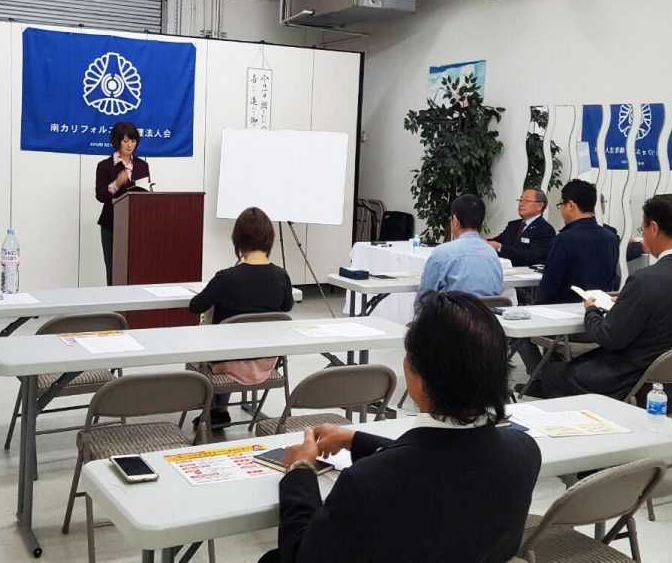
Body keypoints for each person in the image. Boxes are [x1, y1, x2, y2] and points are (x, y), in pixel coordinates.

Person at [260, 292, 540, 563]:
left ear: (413, 375)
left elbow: (301, 555)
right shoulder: (525, 452)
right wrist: (357, 440)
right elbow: (443, 462)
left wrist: (301, 471)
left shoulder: (366, 483)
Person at [534, 195, 672, 410]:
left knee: (554, 374)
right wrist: (627, 302)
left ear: (654, 227)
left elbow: (608, 336)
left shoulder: (645, 280)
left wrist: (591, 309)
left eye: (642, 229)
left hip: (635, 386)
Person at [189, 206, 294, 427]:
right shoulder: (281, 276)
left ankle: (215, 408)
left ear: (238, 241)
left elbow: (195, 306)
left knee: (210, 341)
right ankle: (220, 409)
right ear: (269, 240)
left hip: (228, 363)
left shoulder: (226, 278)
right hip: (266, 361)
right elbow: (287, 306)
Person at [537, 180, 619, 304]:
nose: (561, 210)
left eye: (561, 204)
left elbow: (550, 284)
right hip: (599, 309)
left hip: (563, 309)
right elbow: (613, 278)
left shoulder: (564, 239)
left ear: (570, 205)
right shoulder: (610, 237)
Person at [94, 121, 150, 284]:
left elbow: (144, 192)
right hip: (111, 223)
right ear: (117, 141)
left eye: (133, 141)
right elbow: (100, 196)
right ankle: (114, 304)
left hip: (137, 224)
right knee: (113, 268)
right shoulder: (104, 166)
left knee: (136, 267)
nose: (130, 145)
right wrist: (117, 183)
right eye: (126, 141)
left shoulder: (142, 165)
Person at [417, 194, 504, 299]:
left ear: (455, 220)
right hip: (486, 314)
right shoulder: (491, 253)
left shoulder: (442, 253)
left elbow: (425, 296)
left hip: (453, 314)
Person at [487, 187, 556, 267]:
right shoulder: (513, 225)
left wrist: (500, 247)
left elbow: (532, 256)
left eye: (527, 201)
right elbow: (497, 241)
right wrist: (482, 242)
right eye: (520, 200)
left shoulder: (545, 229)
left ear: (540, 206)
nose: (521, 204)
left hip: (528, 275)